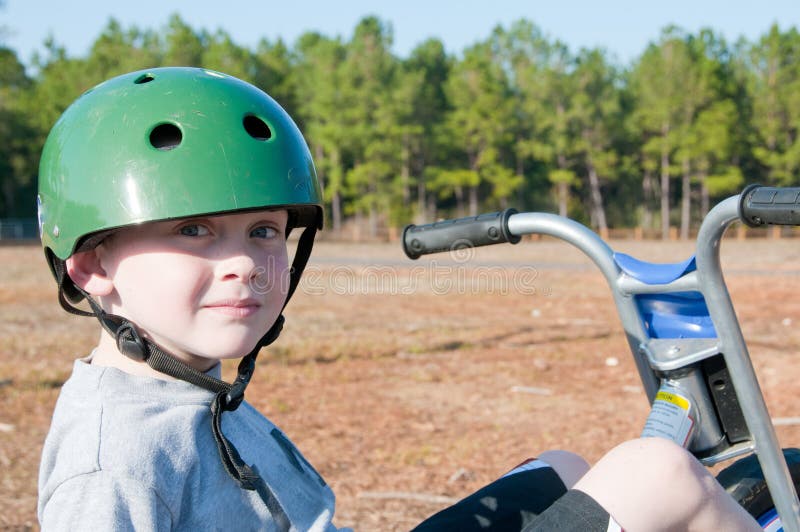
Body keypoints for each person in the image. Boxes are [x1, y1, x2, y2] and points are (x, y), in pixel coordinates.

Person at [36, 67, 761, 532]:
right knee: (657, 473)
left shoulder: (189, 386)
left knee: (564, 467)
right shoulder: (111, 462)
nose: (244, 266)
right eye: (193, 230)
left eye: (262, 230)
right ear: (92, 267)